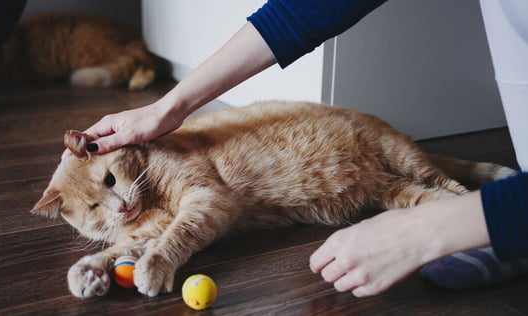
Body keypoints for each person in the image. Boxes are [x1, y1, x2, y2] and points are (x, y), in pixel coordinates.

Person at [66, 0, 528, 297]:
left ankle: (490, 217)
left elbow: (205, 202)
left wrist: (419, 232)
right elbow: (309, 8)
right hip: (342, 186)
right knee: (393, 188)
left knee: (417, 177)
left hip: (345, 143)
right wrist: (171, 105)